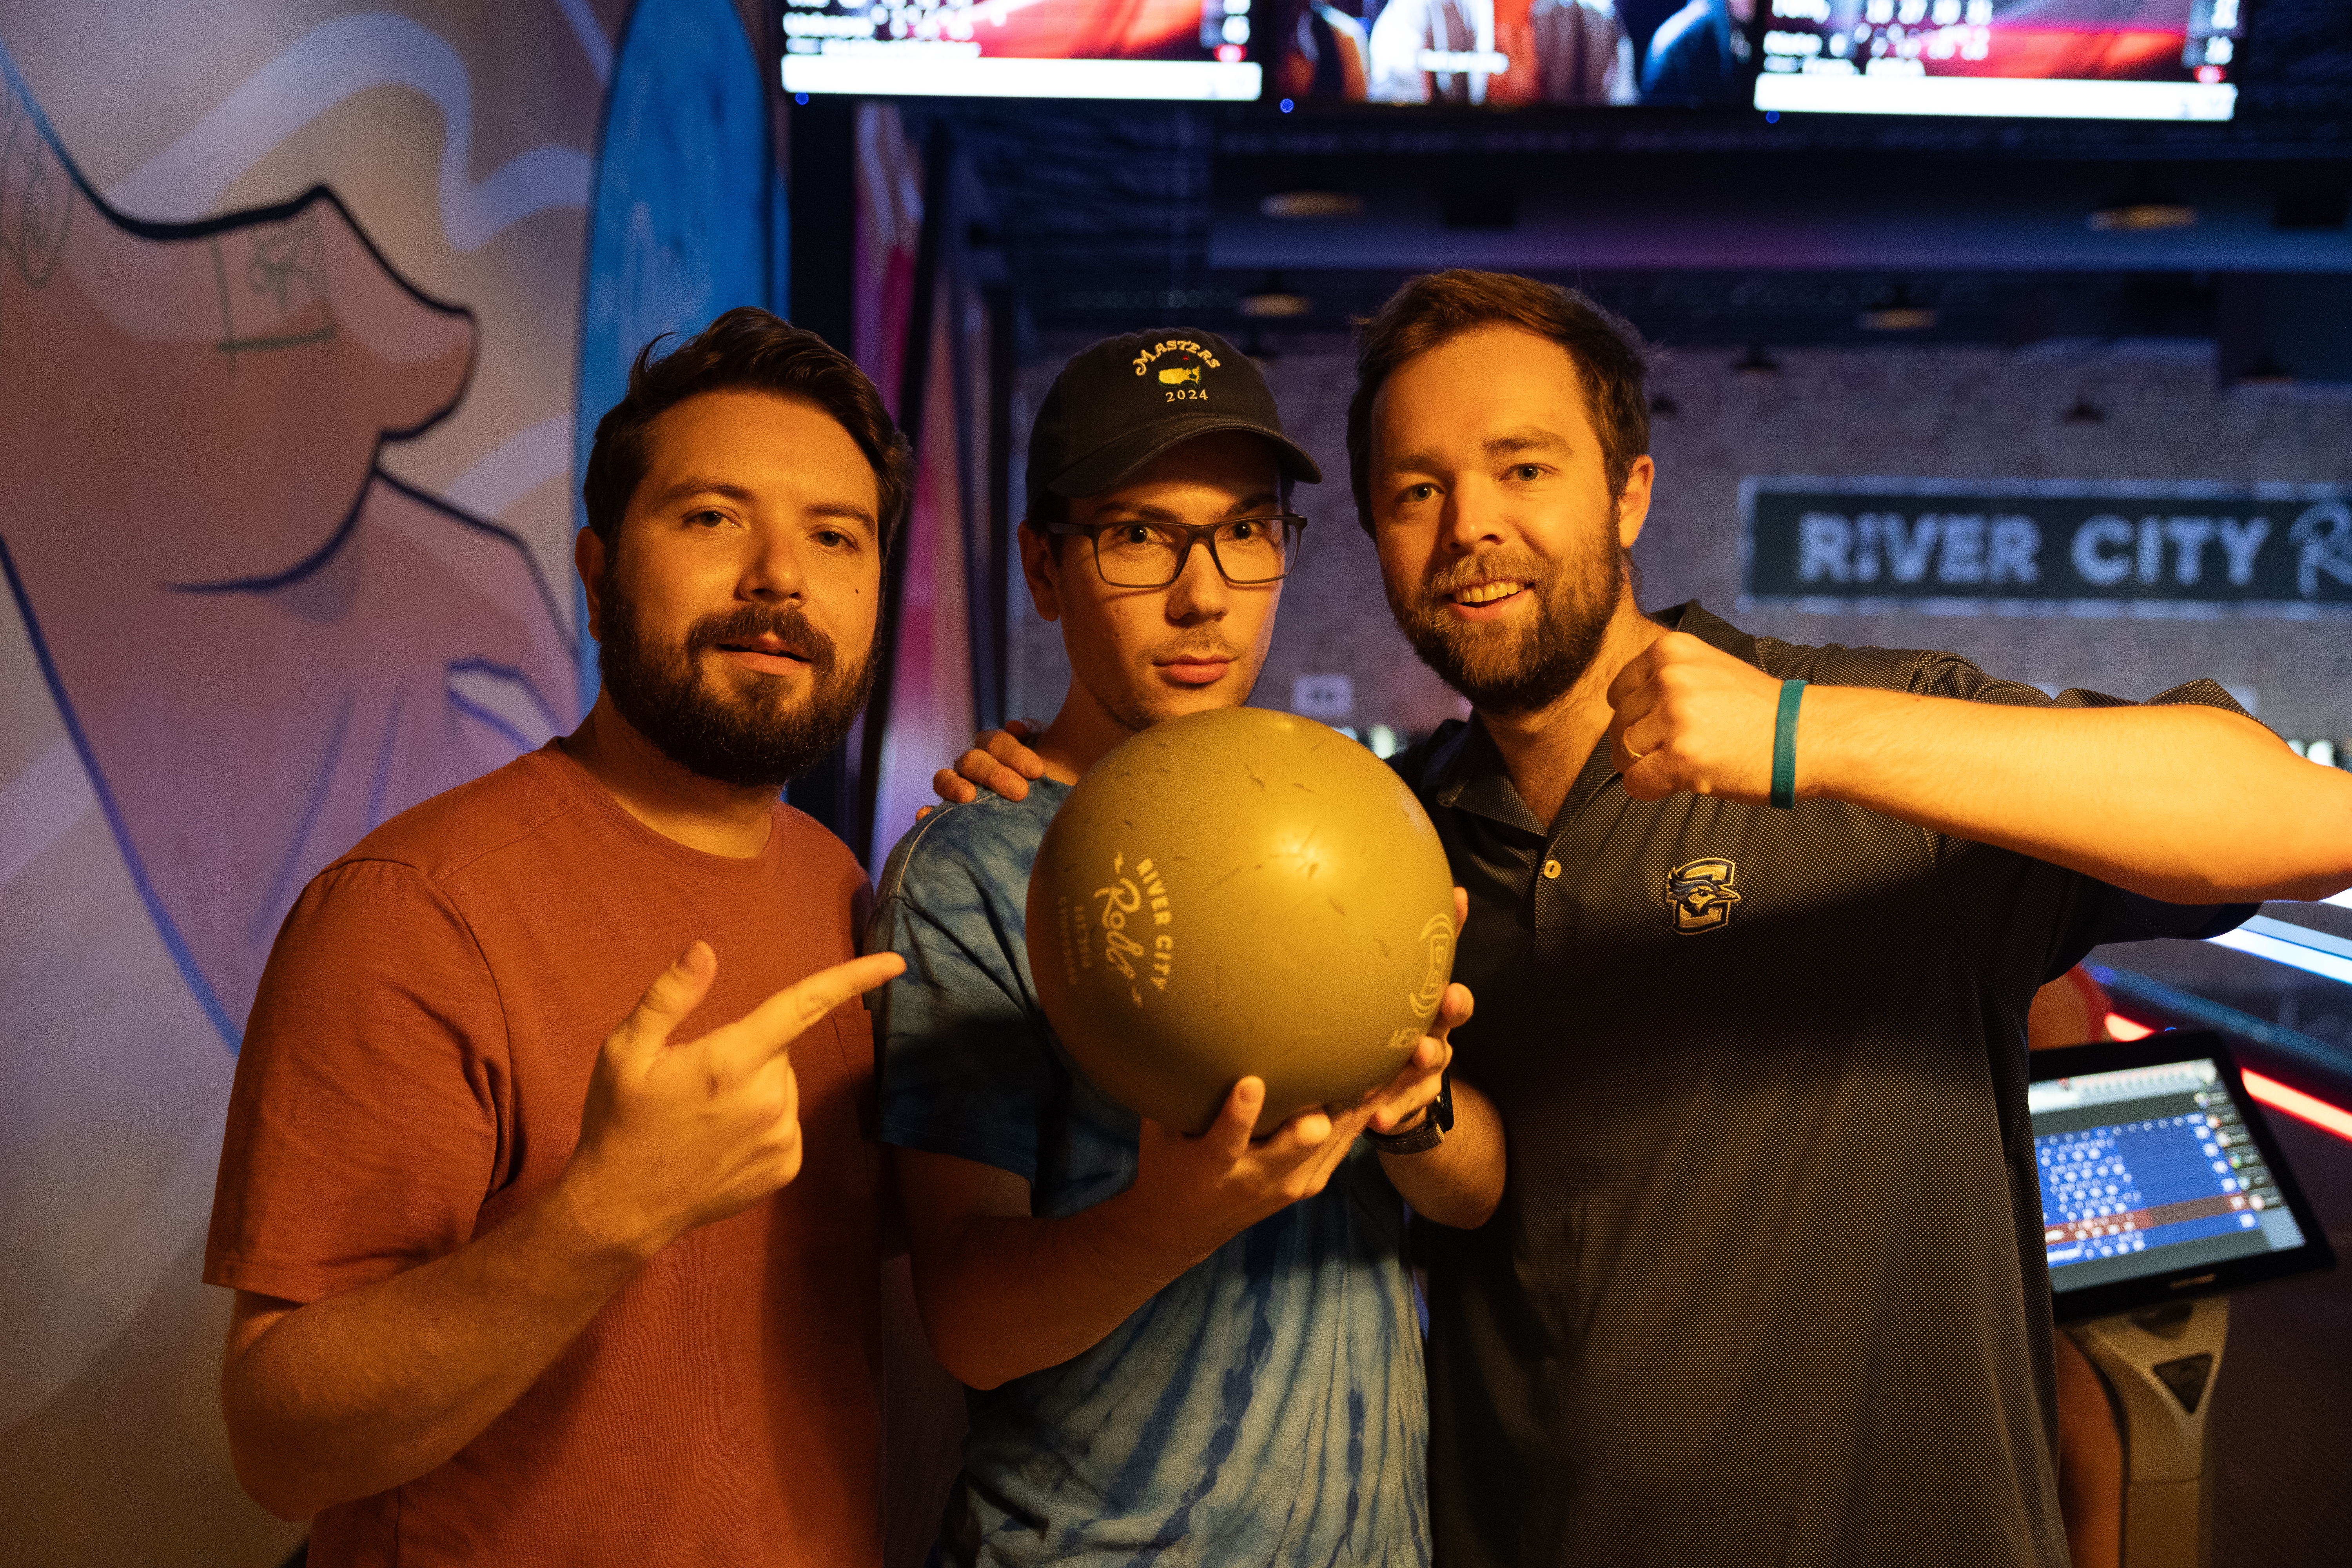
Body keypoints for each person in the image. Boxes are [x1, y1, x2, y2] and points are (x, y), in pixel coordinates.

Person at [944, 274, 2352, 1565]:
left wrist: (1804, 735)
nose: (1472, 524)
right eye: (1417, 489)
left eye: (1524, 468)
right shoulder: (1391, 845)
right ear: (1374, 534)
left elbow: (2302, 824)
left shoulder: (1870, 744)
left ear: (1628, 494)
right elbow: (1479, 1180)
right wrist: (1065, 787)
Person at [205, 308, 911, 1564]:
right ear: (596, 575)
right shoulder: (414, 909)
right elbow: (280, 1447)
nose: (779, 579)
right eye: (711, 518)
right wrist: (601, 1219)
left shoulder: (842, 886)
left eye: (835, 538)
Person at [874, 328, 1502, 1565]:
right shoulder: (979, 868)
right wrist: (1170, 1220)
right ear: (1044, 571)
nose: (1203, 593)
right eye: (1138, 535)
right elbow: (966, 1318)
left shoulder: (1357, 831)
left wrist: (1417, 1113)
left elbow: (1477, 1195)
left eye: (1246, 532)